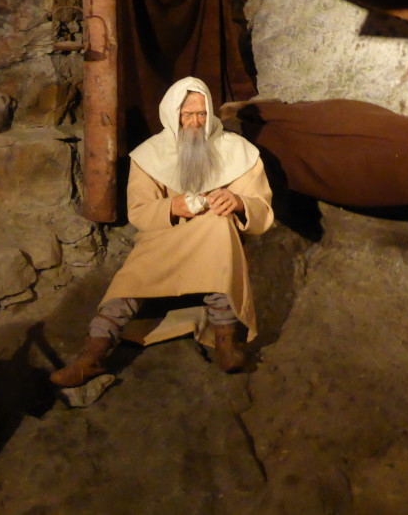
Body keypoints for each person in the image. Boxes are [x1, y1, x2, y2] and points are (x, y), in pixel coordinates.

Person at [50, 76, 274, 388]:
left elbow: (261, 206)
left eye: (201, 114)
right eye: (186, 115)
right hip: (166, 237)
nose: (194, 123)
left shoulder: (239, 152)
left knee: (218, 226)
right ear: (173, 115)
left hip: (216, 239)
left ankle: (226, 341)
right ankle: (93, 354)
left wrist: (238, 201)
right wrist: (172, 208)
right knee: (132, 277)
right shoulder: (149, 155)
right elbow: (140, 211)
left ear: (210, 114)